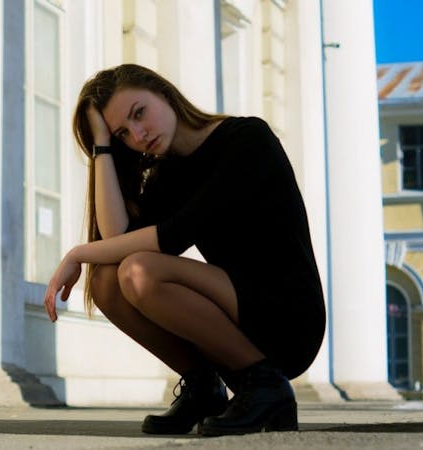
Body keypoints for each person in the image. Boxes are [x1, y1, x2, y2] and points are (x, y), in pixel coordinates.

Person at [42, 64, 326, 437]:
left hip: (288, 315)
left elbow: (174, 236)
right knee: (108, 282)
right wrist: (102, 144)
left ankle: (266, 387)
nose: (138, 135)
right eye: (123, 132)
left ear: (164, 92)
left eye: (139, 113)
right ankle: (203, 387)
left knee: (140, 271)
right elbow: (117, 240)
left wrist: (78, 253)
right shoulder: (169, 173)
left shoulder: (247, 138)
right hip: (234, 311)